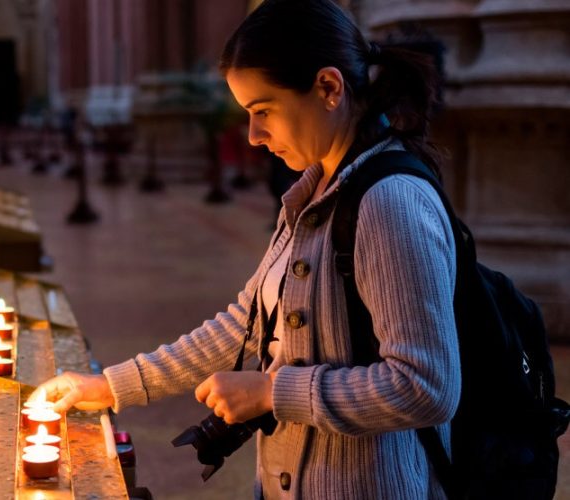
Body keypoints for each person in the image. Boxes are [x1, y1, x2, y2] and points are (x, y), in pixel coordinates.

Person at [32, 0, 458, 498]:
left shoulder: (389, 202)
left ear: (328, 87)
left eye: (263, 111)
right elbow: (247, 324)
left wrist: (273, 392)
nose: (254, 136)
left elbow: (425, 386)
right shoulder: (314, 192)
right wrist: (109, 387)